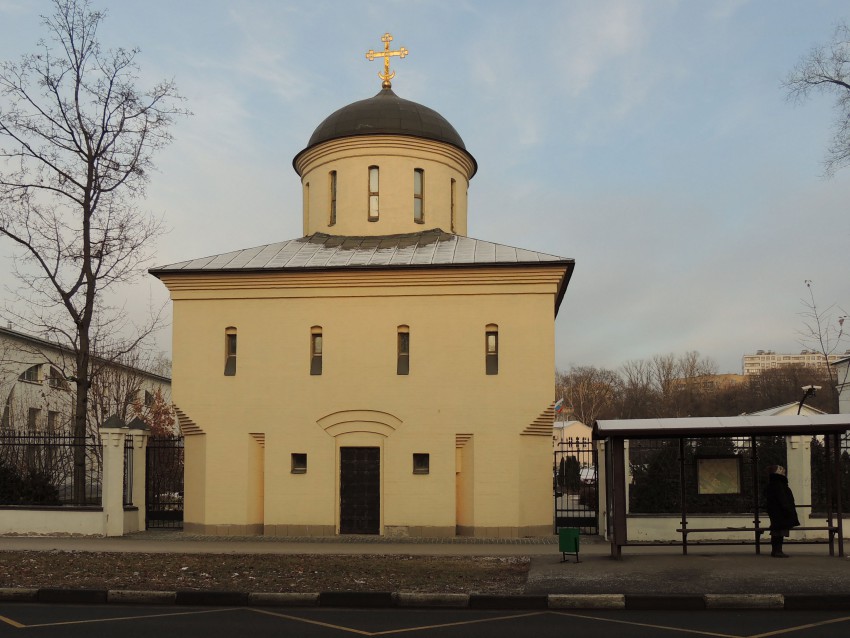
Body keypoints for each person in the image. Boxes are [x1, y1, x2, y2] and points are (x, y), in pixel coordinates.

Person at [763, 465, 800, 558]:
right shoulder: (779, 483)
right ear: (777, 472)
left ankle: (776, 550)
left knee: (777, 530)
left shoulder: (773, 483)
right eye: (781, 469)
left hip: (776, 511)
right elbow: (782, 498)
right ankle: (778, 551)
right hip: (781, 511)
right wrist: (787, 509)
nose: (784, 471)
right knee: (779, 531)